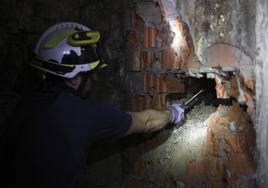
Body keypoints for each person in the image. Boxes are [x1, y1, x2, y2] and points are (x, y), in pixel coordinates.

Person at [1, 22, 184, 188]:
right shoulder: (83, 115)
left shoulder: (24, 106)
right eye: (91, 73)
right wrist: (172, 113)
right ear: (73, 80)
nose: (95, 79)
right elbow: (146, 122)